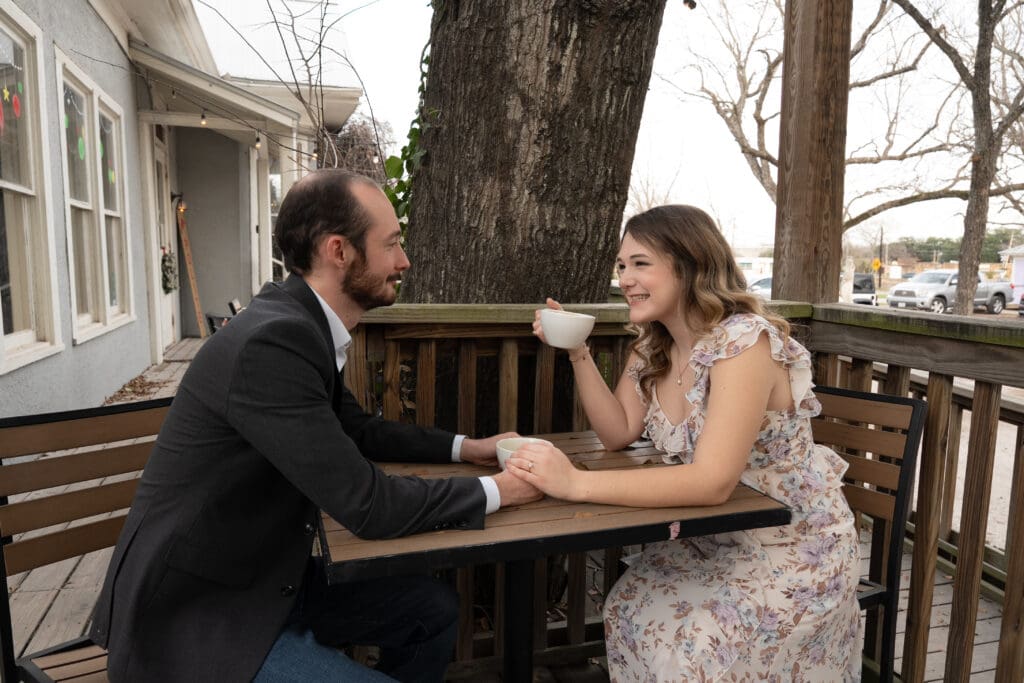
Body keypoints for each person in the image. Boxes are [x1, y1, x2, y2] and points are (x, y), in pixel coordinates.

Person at [90, 169, 540, 683]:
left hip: (264, 582)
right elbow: (369, 506)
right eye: (391, 243)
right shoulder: (274, 342)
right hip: (198, 616)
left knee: (431, 610)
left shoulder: (298, 325)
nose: (404, 260)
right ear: (339, 251)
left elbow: (359, 430)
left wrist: (470, 448)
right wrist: (499, 490)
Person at [512, 205, 862, 680]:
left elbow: (712, 482)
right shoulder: (653, 345)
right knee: (627, 607)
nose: (625, 279)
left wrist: (574, 484)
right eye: (621, 266)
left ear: (688, 263)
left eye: (640, 263)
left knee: (696, 645)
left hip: (790, 544)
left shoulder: (742, 344)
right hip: (713, 536)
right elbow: (617, 433)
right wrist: (577, 352)